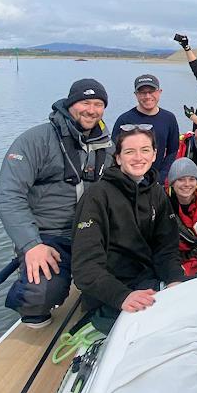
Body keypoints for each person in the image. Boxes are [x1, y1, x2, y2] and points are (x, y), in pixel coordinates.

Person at [0, 78, 114, 328]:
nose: (91, 110)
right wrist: (31, 245)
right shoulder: (35, 140)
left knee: (125, 278)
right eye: (85, 102)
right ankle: (30, 295)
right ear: (70, 103)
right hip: (49, 235)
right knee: (40, 294)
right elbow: (8, 195)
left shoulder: (107, 145)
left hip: (92, 232)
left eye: (98, 104)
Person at [71, 127, 184, 334]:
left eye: (145, 150)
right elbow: (85, 267)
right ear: (118, 158)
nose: (138, 157)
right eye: (130, 152)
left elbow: (166, 247)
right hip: (112, 290)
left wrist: (174, 279)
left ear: (154, 155)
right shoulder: (97, 197)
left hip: (148, 282)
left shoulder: (157, 193)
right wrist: (122, 296)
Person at [112, 74, 179, 182]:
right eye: (142, 92)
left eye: (151, 91)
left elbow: (173, 151)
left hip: (156, 180)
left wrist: (161, 176)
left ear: (159, 92)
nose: (147, 96)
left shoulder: (169, 118)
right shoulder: (124, 120)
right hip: (128, 179)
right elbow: (114, 151)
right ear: (136, 94)